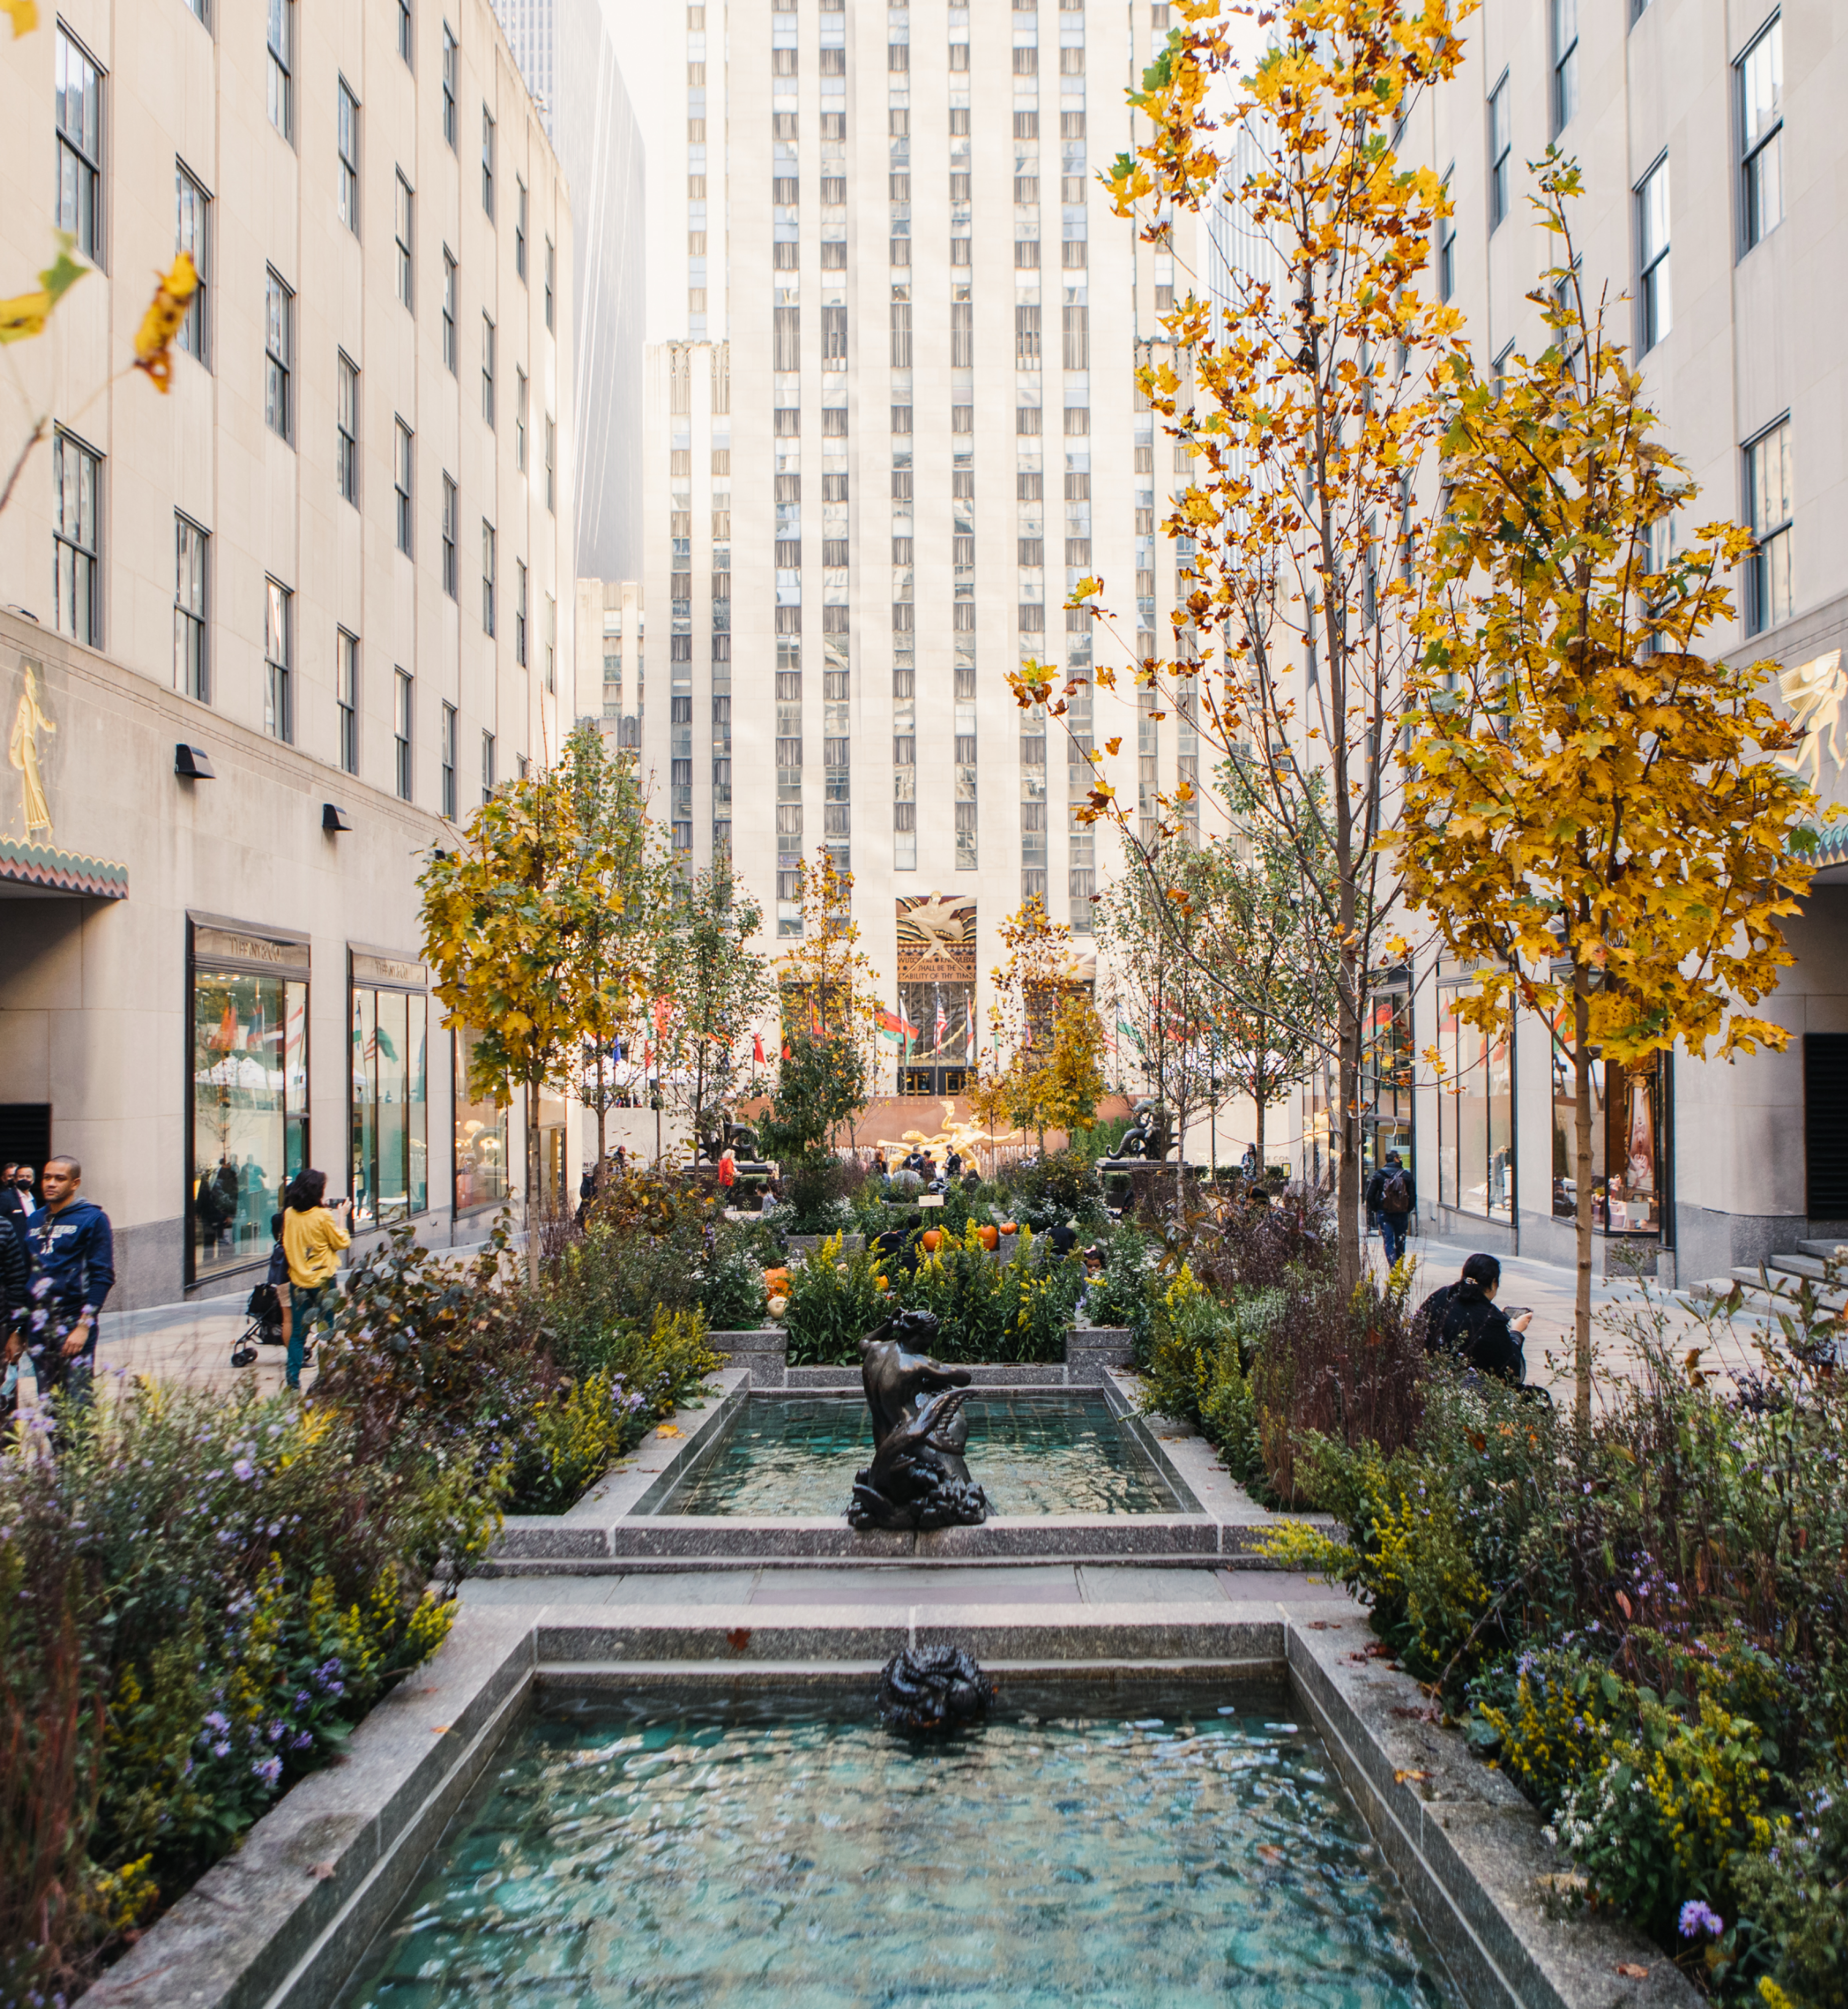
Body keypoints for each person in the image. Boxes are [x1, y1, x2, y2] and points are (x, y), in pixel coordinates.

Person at [23, 1156, 114, 1426]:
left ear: (75, 1183)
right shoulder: (34, 1219)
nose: (51, 1184)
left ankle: (86, 1465)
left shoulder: (93, 1219)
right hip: (40, 1325)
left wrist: (84, 1326)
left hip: (73, 1321)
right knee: (49, 1403)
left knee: (78, 1402)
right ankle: (62, 1465)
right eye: (47, 1177)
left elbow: (103, 1276)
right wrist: (19, 1330)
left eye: (59, 1179)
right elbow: (26, 1274)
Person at [280, 1170, 351, 1394]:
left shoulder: (289, 1214)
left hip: (298, 1281)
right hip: (323, 1282)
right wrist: (342, 1216)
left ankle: (292, 1382)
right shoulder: (323, 1217)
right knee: (326, 1331)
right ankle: (325, 1378)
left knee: (298, 1334)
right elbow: (342, 1242)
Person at [1415, 1253, 1531, 1384]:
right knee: (1540, 1396)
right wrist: (1516, 1333)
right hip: (1470, 1393)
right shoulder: (1492, 1321)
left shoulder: (1443, 1295)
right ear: (1493, 1283)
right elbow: (1513, 1375)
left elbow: (1417, 1327)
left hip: (1428, 1380)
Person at [0, 1198, 30, 1423]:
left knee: (4, 1401)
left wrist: (16, 1331)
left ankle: (7, 1457)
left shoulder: (4, 1227)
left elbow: (17, 1281)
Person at [1365, 1152, 1416, 1267]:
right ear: (1396, 1160)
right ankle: (1399, 1267)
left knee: (1388, 1241)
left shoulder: (1378, 1175)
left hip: (1384, 1213)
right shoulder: (1407, 1175)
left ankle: (1393, 1267)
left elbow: (1370, 1196)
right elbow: (1413, 1197)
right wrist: (1407, 1209)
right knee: (1400, 1242)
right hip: (1401, 1214)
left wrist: (1377, 1209)